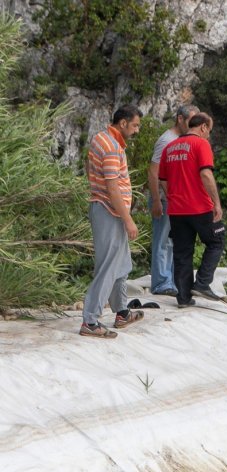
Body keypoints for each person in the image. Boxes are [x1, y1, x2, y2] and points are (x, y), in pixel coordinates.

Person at [80, 105, 144, 339]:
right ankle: (90, 320)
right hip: (110, 212)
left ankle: (122, 312)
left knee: (122, 264)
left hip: (108, 210)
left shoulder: (101, 138)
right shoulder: (110, 147)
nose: (137, 130)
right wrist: (128, 220)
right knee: (108, 266)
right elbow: (112, 186)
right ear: (123, 123)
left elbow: (90, 169)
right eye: (135, 125)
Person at [157, 112, 225, 308]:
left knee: (182, 252)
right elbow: (206, 174)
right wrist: (216, 203)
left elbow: (162, 179)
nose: (209, 136)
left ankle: (184, 298)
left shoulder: (169, 147)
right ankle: (202, 283)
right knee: (216, 241)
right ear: (203, 127)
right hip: (200, 206)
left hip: (177, 209)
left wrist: (175, 196)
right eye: (209, 131)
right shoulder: (200, 144)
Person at [146, 104, 199, 296]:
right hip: (164, 199)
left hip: (177, 200)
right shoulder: (166, 140)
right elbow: (153, 171)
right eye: (190, 121)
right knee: (162, 241)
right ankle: (161, 283)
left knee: (174, 242)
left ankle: (173, 281)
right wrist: (157, 201)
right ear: (180, 119)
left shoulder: (183, 140)